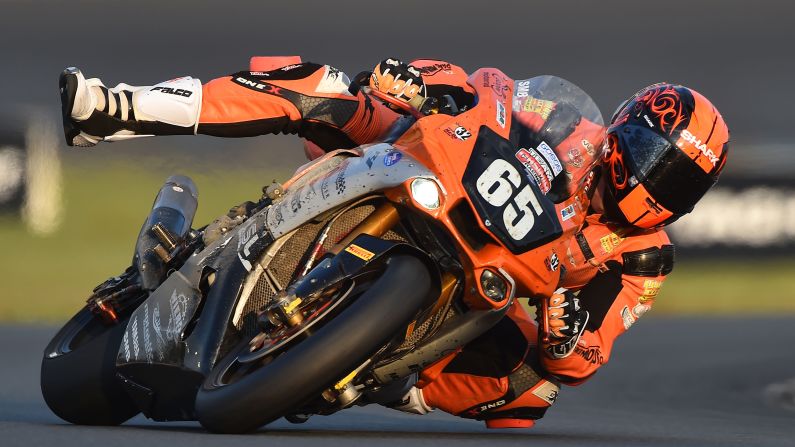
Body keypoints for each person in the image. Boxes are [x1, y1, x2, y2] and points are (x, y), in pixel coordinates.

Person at [59, 59, 729, 428]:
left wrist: (565, 331)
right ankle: (123, 108)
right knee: (325, 88)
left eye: (679, 180)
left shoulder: (642, 255)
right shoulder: (565, 122)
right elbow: (486, 91)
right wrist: (420, 83)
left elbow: (589, 352)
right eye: (654, 156)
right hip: (432, 174)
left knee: (532, 392)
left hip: (487, 278)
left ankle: (379, 374)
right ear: (626, 131)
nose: (653, 181)